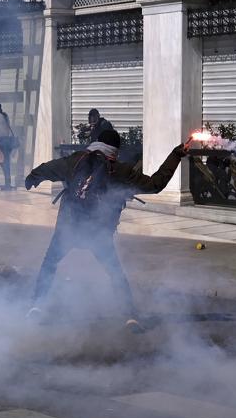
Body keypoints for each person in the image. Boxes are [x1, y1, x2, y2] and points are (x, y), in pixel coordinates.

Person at [24, 129, 192, 333]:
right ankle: (130, 316)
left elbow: (48, 168)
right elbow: (155, 184)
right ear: (115, 150)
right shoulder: (119, 170)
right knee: (115, 273)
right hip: (97, 233)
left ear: (96, 143)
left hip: (68, 228)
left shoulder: (76, 160)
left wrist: (32, 178)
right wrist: (175, 155)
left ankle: (36, 306)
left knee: (49, 264)